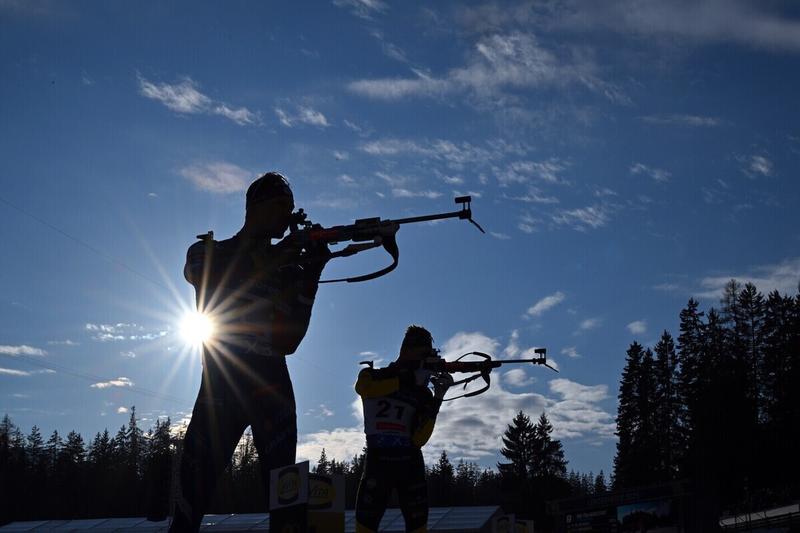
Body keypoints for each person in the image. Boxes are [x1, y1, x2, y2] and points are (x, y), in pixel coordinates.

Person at [169, 172, 329, 532]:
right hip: (221, 386)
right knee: (189, 501)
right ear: (254, 208)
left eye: (290, 208)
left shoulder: (287, 266)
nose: (287, 215)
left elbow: (289, 341)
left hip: (271, 382)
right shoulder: (209, 251)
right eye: (280, 206)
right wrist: (277, 257)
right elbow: (208, 276)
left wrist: (311, 276)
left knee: (286, 504)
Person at [354, 325, 453, 533]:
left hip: (409, 462)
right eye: (422, 356)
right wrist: (405, 380)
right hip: (379, 461)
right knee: (365, 524)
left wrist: (437, 398)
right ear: (406, 351)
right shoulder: (374, 375)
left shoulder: (422, 394)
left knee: (418, 526)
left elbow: (419, 439)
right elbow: (363, 387)